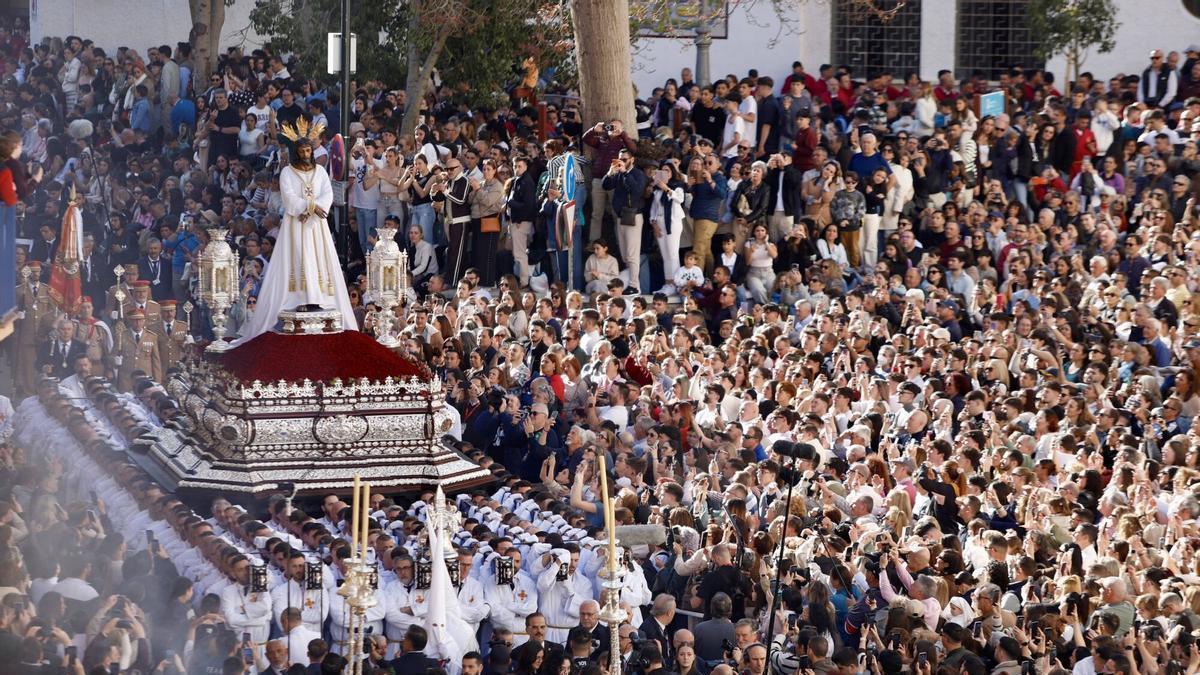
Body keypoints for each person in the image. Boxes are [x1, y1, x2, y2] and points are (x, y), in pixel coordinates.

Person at [235, 128, 356, 343]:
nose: (306, 154)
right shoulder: (287, 172)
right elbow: (288, 197)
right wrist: (310, 206)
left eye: (309, 150)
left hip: (316, 225)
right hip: (296, 224)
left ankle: (318, 296)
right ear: (296, 151)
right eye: (302, 150)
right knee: (300, 257)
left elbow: (327, 193)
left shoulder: (319, 171)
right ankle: (300, 296)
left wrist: (317, 208)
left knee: (318, 258)